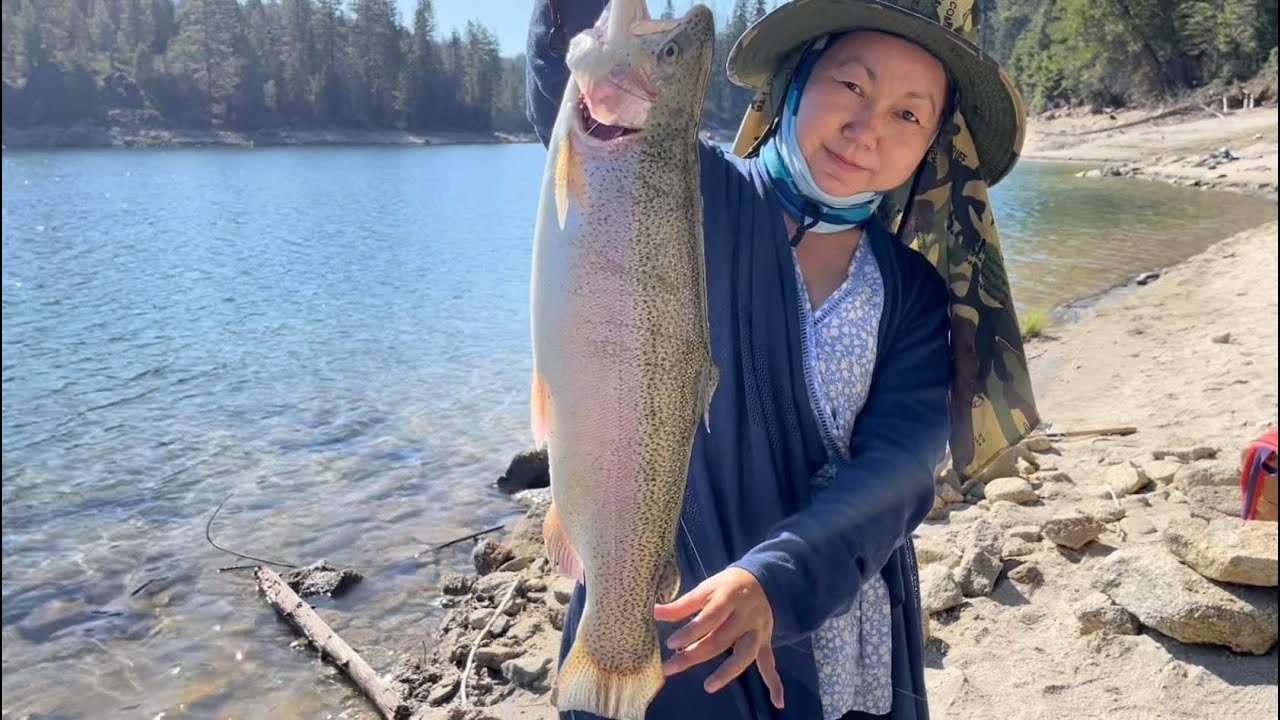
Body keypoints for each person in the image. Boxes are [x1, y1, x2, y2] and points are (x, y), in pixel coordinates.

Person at [524, 1, 1032, 718]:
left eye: (908, 116)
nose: (867, 129)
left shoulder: (916, 295)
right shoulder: (692, 190)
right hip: (675, 601)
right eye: (851, 86)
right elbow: (580, 99)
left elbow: (898, 470)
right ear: (795, 82)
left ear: (931, 149)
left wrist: (774, 580)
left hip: (829, 600)